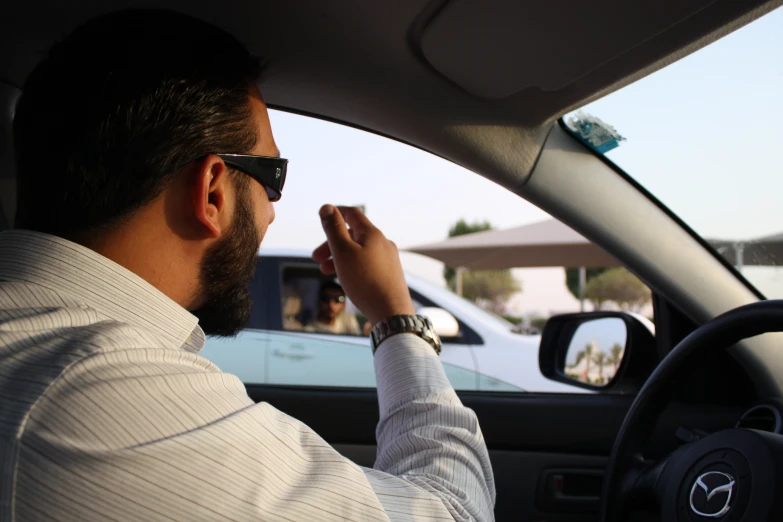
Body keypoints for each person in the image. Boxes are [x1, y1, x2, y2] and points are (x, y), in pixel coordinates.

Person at [0, 9, 494, 522]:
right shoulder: (108, 394)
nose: (272, 212)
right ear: (212, 189)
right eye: (272, 177)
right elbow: (456, 512)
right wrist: (395, 316)